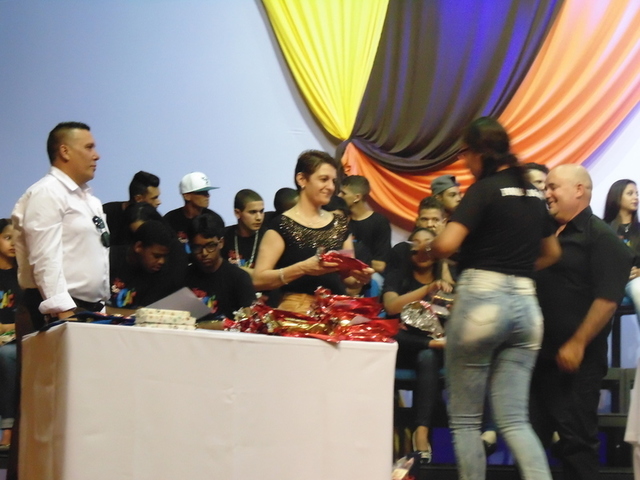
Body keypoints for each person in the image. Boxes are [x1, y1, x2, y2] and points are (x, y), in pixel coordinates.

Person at [430, 117, 561, 480]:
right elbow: (552, 254)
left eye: (464, 154)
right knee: (516, 420)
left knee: (466, 421)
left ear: (479, 152)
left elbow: (446, 244)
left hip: (481, 302)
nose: (464, 162)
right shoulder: (533, 193)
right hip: (527, 306)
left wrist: (429, 247)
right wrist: (516, 266)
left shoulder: (484, 190)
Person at [10, 122, 110, 480]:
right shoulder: (46, 193)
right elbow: (45, 258)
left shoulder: (90, 200)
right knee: (45, 411)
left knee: (83, 412)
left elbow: (94, 257)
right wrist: (63, 312)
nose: (97, 155)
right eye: (89, 147)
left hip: (88, 313)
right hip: (54, 314)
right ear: (64, 151)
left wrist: (101, 308)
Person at [530, 165, 633, 479]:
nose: (546, 193)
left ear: (579, 190)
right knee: (529, 441)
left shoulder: (603, 239)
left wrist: (577, 343)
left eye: (553, 187)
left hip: (576, 362)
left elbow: (607, 300)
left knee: (576, 444)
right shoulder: (541, 234)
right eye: (545, 187)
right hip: (535, 357)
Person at [253, 150, 374, 314]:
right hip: (296, 311)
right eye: (324, 179)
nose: (331, 187)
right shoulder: (281, 224)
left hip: (336, 309)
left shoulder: (339, 224)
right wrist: (303, 268)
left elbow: (348, 278)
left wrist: (360, 277)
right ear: (302, 179)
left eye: (333, 181)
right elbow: (258, 280)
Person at [382, 227, 452, 463]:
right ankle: (419, 436)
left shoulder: (450, 279)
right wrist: (427, 290)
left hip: (439, 349)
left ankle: (421, 433)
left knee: (428, 357)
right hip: (405, 344)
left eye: (428, 245)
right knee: (415, 346)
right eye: (416, 246)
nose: (422, 251)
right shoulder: (397, 276)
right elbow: (391, 307)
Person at [187, 213, 255, 322]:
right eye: (197, 247)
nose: (204, 253)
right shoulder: (184, 276)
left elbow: (249, 322)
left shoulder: (239, 278)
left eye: (210, 246)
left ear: (221, 243)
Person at [107, 220, 186, 312]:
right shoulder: (108, 259)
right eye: (157, 256)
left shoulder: (160, 273)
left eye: (164, 256)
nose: (162, 261)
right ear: (138, 247)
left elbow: (147, 313)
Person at [338, 175, 391, 274]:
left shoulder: (379, 222)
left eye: (343, 193)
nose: (339, 196)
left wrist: (353, 260)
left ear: (357, 197)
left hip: (369, 275)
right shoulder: (341, 220)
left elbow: (380, 265)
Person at [603, 179, 640, 319]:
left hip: (634, 281)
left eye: (637, 193)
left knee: (638, 288)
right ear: (617, 197)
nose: (636, 197)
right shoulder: (602, 228)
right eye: (630, 193)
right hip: (609, 282)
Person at [163, 172, 225, 252]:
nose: (208, 195)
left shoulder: (215, 219)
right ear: (186, 196)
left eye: (207, 192)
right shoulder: (170, 219)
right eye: (202, 192)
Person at [0, 219, 19, 451]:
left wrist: (7, 329)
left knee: (7, 355)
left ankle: (8, 430)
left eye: (17, 239)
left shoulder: (24, 276)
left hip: (16, 340)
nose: (13, 243)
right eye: (7, 238)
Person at [103, 171, 162, 245]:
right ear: (138, 199)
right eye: (154, 198)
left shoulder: (156, 222)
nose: (159, 202)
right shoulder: (105, 213)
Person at [221, 189, 265, 276]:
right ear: (237, 213)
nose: (259, 217)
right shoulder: (225, 236)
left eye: (261, 211)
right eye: (253, 212)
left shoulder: (269, 237)